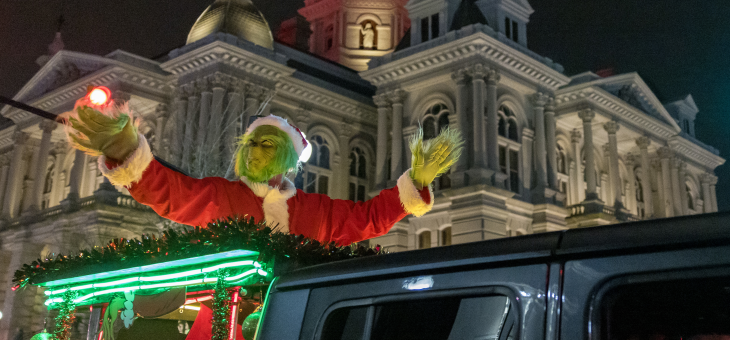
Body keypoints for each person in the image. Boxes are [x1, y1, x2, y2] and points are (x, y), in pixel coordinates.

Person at [66, 99, 462, 246]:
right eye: (251, 143)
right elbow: (172, 194)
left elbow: (366, 218)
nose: (254, 150)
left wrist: (416, 183)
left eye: (267, 144)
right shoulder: (222, 196)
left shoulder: (317, 211)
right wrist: (127, 152)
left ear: (289, 159)